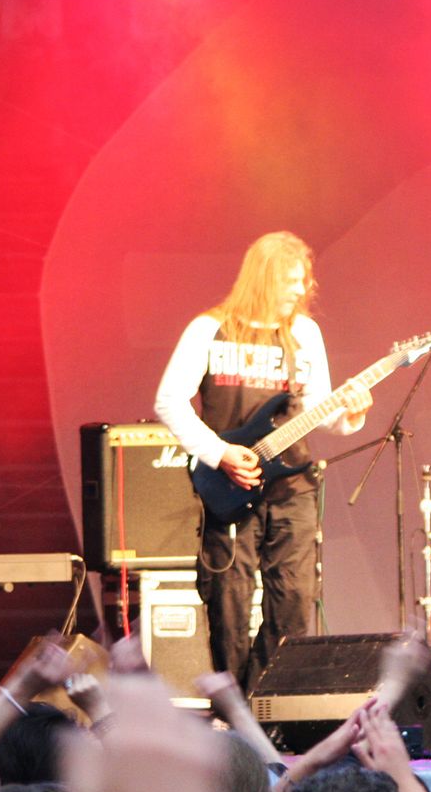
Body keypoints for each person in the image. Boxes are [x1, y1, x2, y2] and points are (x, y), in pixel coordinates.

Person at [155, 232, 371, 691]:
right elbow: (169, 401)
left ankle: (268, 702)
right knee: (228, 605)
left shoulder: (304, 333)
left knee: (294, 601)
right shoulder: (209, 329)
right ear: (263, 277)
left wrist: (352, 412)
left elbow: (319, 412)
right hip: (229, 485)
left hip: (292, 486)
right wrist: (220, 453)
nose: (300, 289)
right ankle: (236, 709)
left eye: (303, 280)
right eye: (289, 280)